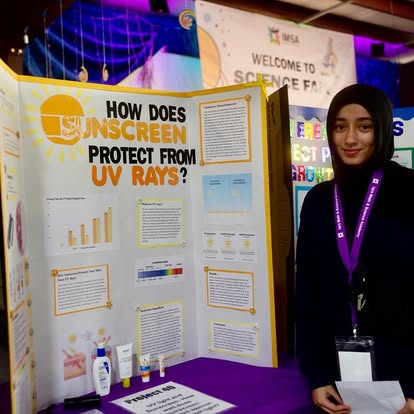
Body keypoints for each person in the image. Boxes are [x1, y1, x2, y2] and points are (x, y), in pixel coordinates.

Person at [295, 83, 414, 414]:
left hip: (405, 374)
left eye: (364, 126)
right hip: (337, 376)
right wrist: (317, 377)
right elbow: (308, 293)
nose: (350, 139)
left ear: (382, 129)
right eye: (339, 126)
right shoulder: (319, 201)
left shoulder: (409, 191)